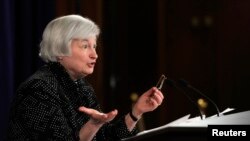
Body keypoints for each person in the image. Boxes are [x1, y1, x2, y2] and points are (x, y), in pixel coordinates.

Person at [7, 14, 164, 141]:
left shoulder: (82, 87)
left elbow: (105, 137)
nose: (94, 55)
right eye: (85, 46)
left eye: (94, 46)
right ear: (60, 48)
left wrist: (136, 112)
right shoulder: (38, 89)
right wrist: (92, 126)